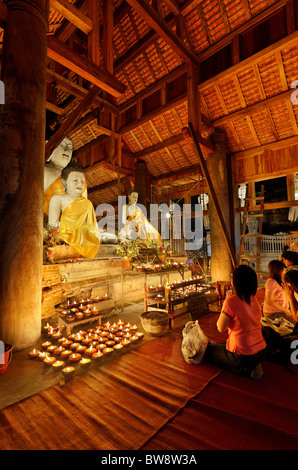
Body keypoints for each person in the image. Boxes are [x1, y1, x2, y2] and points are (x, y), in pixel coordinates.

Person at [204, 265, 267, 380]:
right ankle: (253, 364)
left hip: (243, 355)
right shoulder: (255, 300)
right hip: (261, 350)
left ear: (237, 282)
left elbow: (220, 327)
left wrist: (225, 306)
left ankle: (246, 370)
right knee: (221, 344)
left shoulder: (231, 301)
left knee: (208, 351)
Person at [47, 160, 100, 259]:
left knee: (110, 237)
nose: (79, 184)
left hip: (84, 235)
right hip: (65, 233)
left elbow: (93, 227)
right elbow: (52, 223)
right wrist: (71, 230)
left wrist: (95, 234)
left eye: (82, 182)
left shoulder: (87, 203)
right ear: (64, 182)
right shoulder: (58, 199)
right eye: (75, 181)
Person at [44, 136, 87, 216]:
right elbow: (32, 200)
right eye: (62, 146)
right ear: (50, 150)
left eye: (70, 148)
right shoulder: (44, 171)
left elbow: (84, 206)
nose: (66, 150)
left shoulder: (79, 177)